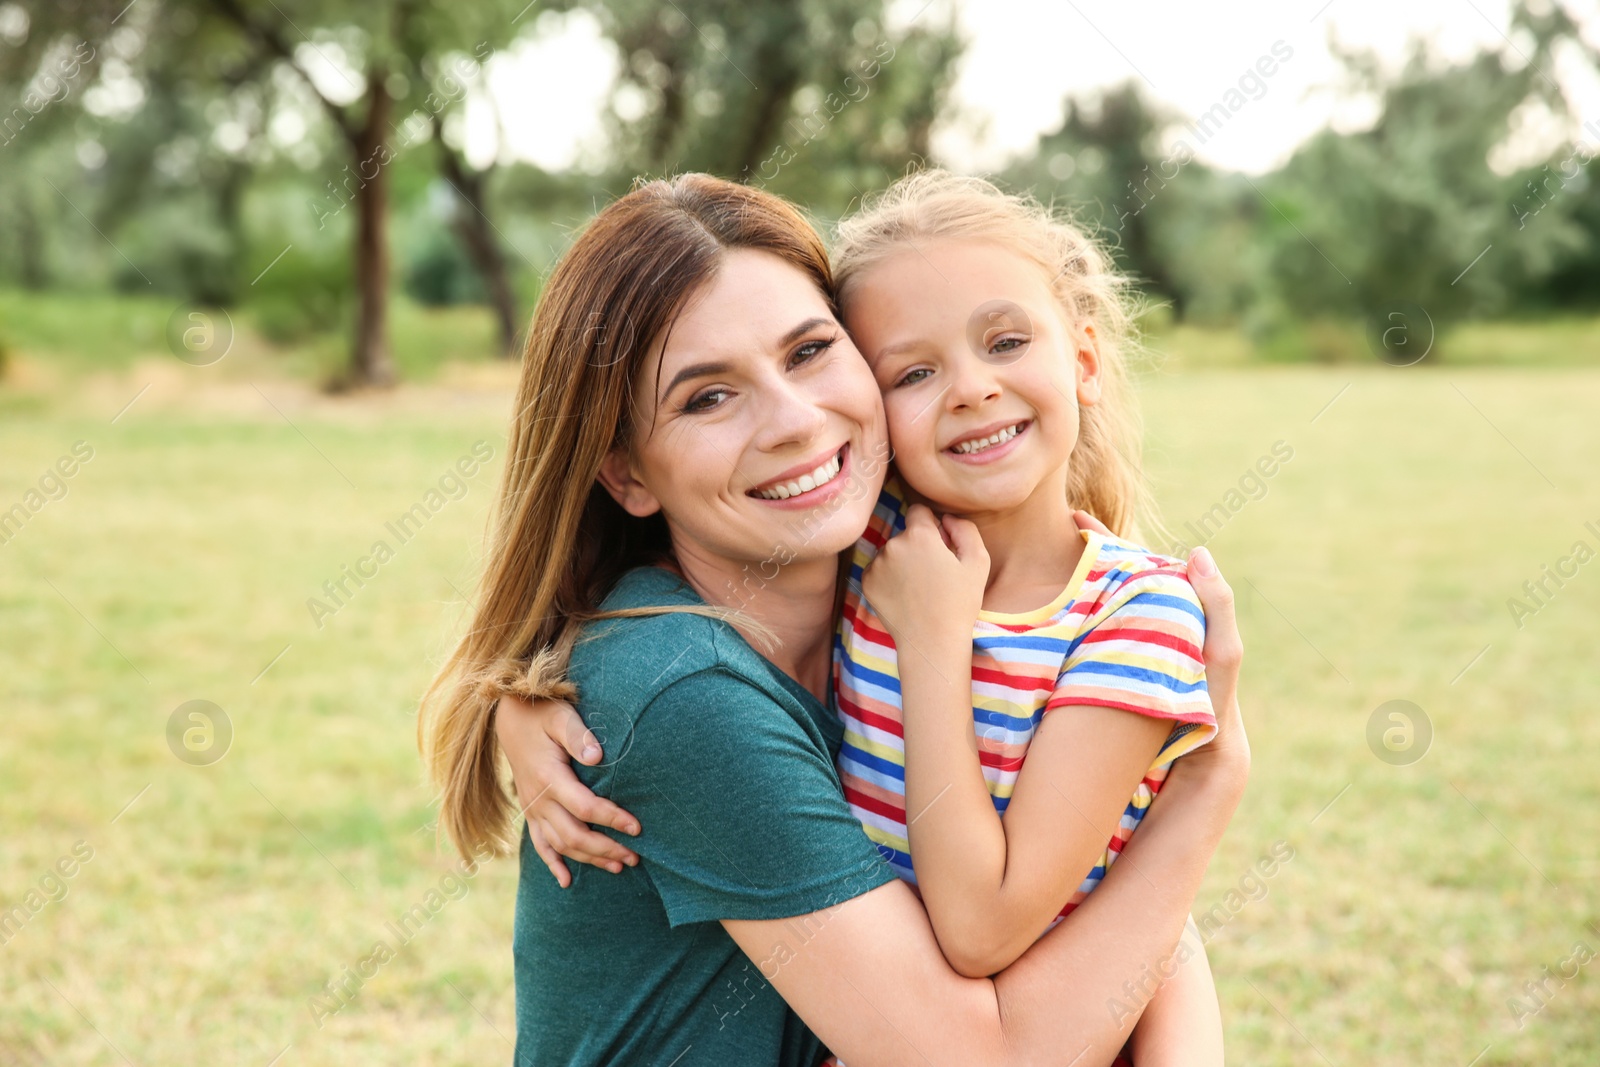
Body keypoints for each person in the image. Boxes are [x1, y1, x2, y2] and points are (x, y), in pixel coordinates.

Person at [421, 172, 1250, 1067]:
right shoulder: (682, 692)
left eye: (810, 351)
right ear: (625, 474)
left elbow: (1112, 899)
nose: (795, 420)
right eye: (707, 396)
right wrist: (1203, 787)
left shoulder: (899, 566)